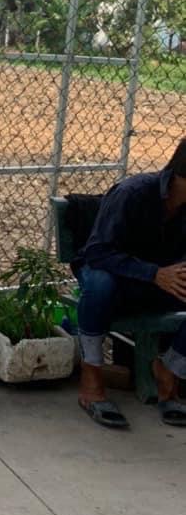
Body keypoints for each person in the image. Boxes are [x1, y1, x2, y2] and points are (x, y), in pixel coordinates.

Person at [75, 138, 186, 429]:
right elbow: (97, 253)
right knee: (100, 283)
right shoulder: (133, 193)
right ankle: (91, 376)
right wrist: (154, 273)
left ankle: (169, 370)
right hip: (114, 278)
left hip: (159, 283)